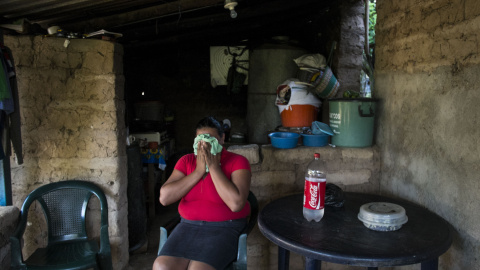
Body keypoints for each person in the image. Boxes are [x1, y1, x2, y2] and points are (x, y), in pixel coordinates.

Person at [153, 116, 251, 270]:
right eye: (200, 140)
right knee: (161, 266)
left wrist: (213, 167)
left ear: (222, 138)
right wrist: (198, 171)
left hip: (224, 228)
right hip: (187, 227)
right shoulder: (186, 161)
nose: (205, 145)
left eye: (210, 139)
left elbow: (236, 204)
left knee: (198, 268)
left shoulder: (238, 161)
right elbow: (164, 198)